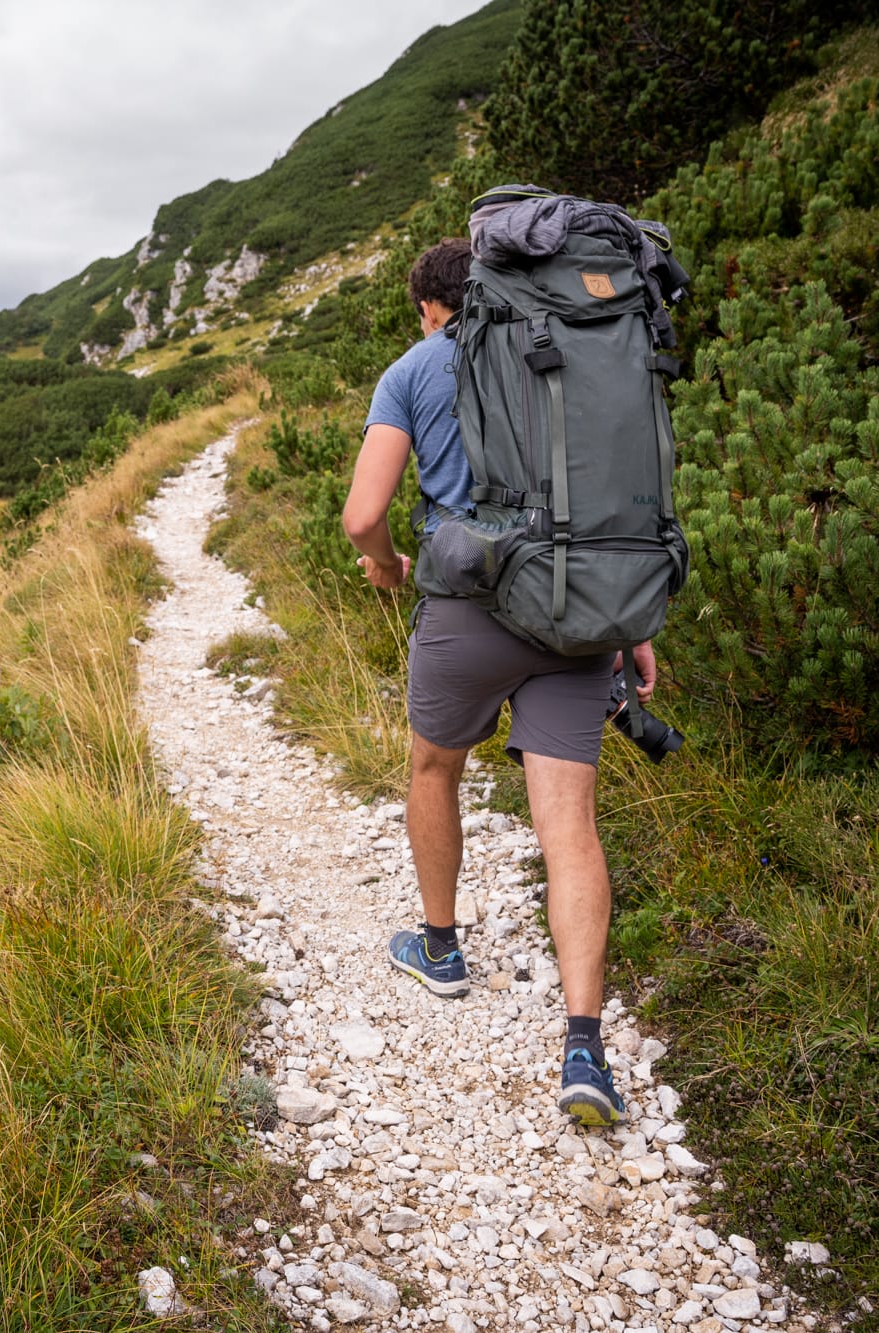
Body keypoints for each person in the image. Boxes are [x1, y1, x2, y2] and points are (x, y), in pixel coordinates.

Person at [340, 237, 656, 1129]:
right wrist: (628, 625)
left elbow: (364, 513)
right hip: (577, 616)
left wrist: (387, 566)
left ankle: (441, 949)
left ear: (431, 308)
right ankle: (584, 1045)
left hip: (466, 612)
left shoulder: (414, 368)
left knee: (434, 769)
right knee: (570, 825)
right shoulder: (568, 353)